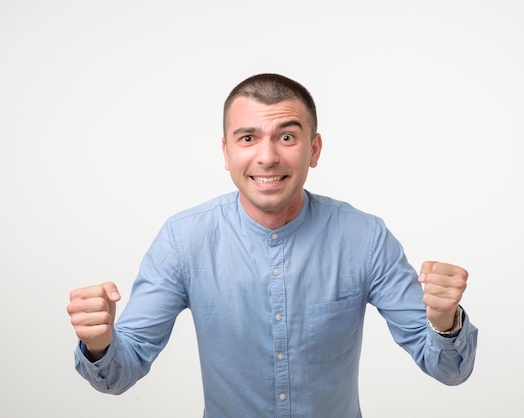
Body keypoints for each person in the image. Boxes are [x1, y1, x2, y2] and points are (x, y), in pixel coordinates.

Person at [67, 73, 478, 417]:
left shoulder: (365, 239)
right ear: (226, 152)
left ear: (313, 150)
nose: (267, 157)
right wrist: (100, 344)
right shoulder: (183, 240)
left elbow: (448, 371)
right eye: (247, 138)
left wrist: (445, 321)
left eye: (286, 136)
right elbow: (121, 372)